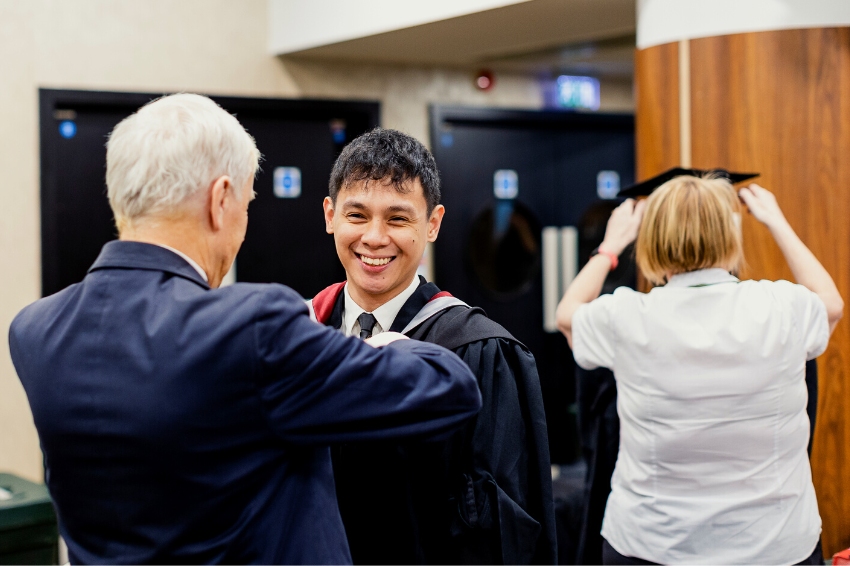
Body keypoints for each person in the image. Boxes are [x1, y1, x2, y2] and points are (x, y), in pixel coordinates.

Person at [8, 94, 482, 565]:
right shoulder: (252, 328)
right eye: (247, 203)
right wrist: (383, 346)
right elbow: (451, 388)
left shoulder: (35, 330)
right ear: (220, 201)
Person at [556, 174, 843, 565]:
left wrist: (610, 246)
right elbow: (831, 304)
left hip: (652, 547)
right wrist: (776, 222)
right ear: (730, 236)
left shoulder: (627, 316)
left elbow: (567, 315)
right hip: (776, 548)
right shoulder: (781, 307)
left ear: (652, 240)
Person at [309, 128, 557, 564]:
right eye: (357, 215)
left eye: (398, 219)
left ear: (433, 223)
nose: (374, 237)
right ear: (330, 215)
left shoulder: (477, 350)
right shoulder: (302, 332)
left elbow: (498, 524)